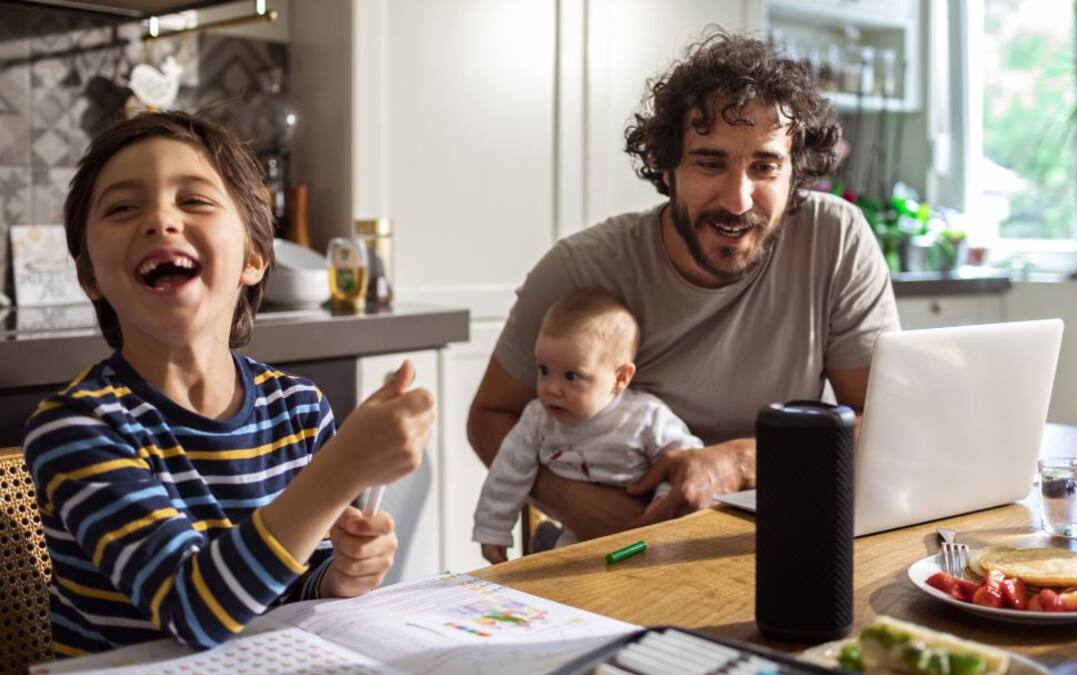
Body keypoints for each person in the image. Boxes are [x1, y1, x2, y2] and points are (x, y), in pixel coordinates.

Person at [23, 111, 435, 656]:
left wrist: (338, 578)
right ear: (89, 277)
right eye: (123, 208)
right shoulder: (77, 426)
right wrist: (343, 470)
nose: (160, 220)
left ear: (255, 258)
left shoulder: (299, 409)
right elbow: (191, 609)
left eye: (193, 200)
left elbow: (285, 588)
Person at [467, 32, 899, 542]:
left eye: (764, 166)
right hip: (619, 543)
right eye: (710, 163)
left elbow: (886, 421)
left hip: (782, 528)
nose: (738, 201)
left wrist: (741, 461)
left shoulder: (835, 238)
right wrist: (589, 510)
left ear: (795, 173)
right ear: (667, 167)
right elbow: (490, 416)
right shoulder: (581, 269)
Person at [472, 290, 702, 563]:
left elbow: (688, 463)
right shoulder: (538, 419)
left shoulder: (645, 417)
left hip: (648, 534)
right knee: (564, 576)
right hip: (577, 535)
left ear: (620, 378)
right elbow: (508, 471)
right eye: (543, 370)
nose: (552, 388)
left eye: (572, 376)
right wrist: (493, 530)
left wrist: (659, 513)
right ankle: (546, 541)